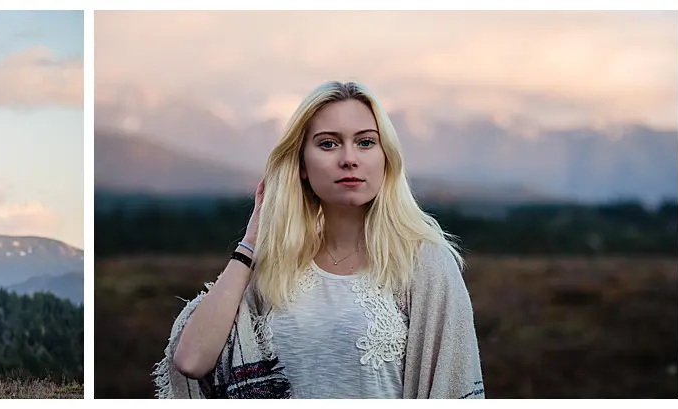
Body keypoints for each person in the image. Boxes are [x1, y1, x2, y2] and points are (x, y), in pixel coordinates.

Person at [154, 81, 484, 399]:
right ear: (301, 165)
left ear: (386, 157)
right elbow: (192, 361)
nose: (349, 158)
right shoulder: (275, 267)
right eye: (328, 143)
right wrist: (252, 241)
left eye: (366, 142)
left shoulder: (423, 261)